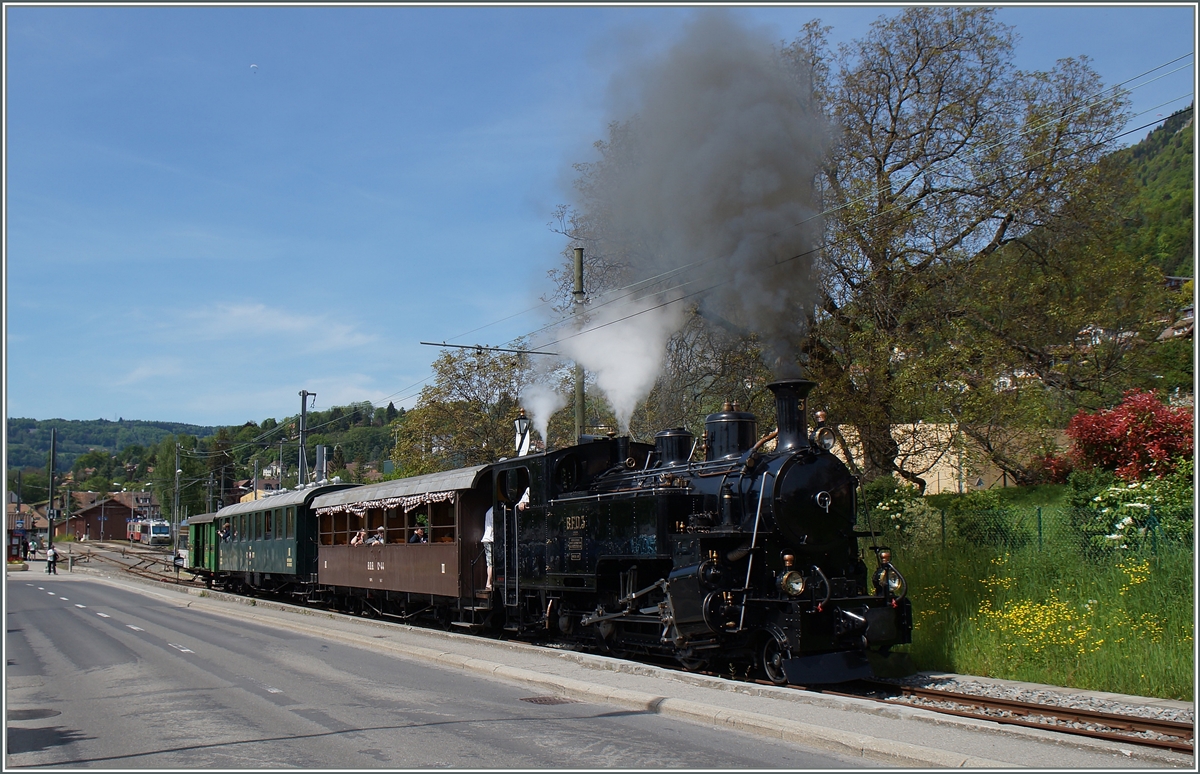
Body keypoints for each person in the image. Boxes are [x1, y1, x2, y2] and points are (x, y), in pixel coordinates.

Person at [482, 507, 494, 591]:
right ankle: (488, 583)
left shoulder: (488, 511)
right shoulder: (493, 511)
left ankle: (489, 582)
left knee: (489, 563)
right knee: (491, 563)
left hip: (487, 538)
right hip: (490, 538)